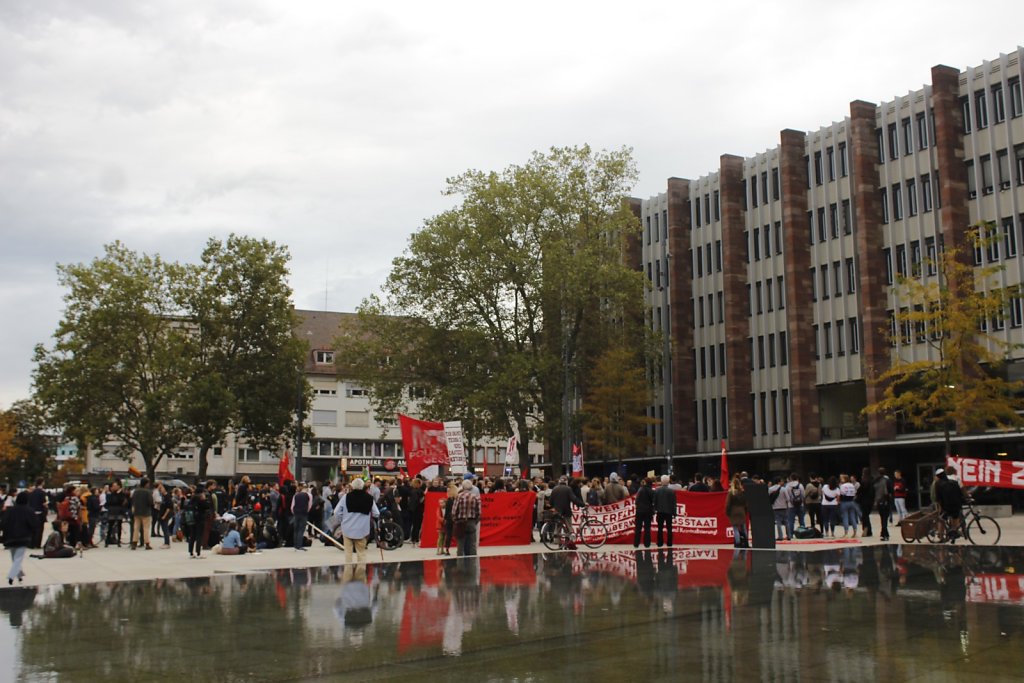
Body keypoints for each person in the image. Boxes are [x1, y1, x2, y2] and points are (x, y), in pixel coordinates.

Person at [334, 478, 380, 564]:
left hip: (347, 529)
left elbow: (336, 512)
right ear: (363, 486)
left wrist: (342, 520)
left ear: (352, 486)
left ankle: (348, 573)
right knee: (361, 553)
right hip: (362, 530)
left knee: (348, 553)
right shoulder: (369, 498)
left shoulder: (346, 497)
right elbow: (376, 513)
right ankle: (360, 574)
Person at [1, 492, 34, 585]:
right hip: (23, 537)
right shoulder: (29, 511)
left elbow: (3, 523)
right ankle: (11, 576)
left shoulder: (10, 511)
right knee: (18, 558)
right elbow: (34, 524)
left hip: (10, 538)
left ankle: (19, 575)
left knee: (14, 558)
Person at [451, 480, 481, 557]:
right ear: (471, 487)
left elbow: (454, 511)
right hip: (472, 522)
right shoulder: (476, 497)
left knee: (460, 544)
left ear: (463, 487)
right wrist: (475, 521)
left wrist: (455, 520)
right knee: (472, 544)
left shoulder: (458, 496)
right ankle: (472, 563)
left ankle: (460, 563)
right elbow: (479, 513)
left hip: (461, 522)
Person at [934, 468, 965, 540]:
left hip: (946, 506)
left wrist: (939, 507)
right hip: (956, 505)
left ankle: (941, 536)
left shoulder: (938, 484)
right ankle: (954, 533)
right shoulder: (954, 482)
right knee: (955, 517)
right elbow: (960, 493)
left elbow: (938, 497)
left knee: (941, 520)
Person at [724, 475, 749, 548]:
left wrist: (727, 512)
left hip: (733, 512)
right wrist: (745, 511)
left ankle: (737, 542)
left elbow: (728, 504)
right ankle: (746, 542)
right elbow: (746, 504)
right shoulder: (743, 492)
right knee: (743, 528)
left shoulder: (731, 493)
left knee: (735, 528)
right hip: (741, 511)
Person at [653, 475, 676, 548]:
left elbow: (655, 501)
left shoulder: (657, 490)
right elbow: (673, 503)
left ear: (661, 481)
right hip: (669, 512)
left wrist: (654, 510)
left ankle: (660, 542)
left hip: (660, 511)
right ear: (668, 481)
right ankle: (669, 542)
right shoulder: (671, 491)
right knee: (669, 528)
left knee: (660, 528)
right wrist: (674, 513)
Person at [130, 478, 154, 550]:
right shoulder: (148, 492)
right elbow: (150, 502)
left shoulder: (135, 491)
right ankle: (147, 543)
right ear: (146, 484)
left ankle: (134, 543)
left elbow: (132, 500)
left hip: (137, 512)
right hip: (146, 512)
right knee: (146, 528)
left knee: (136, 528)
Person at [184, 490, 209, 559]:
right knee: (199, 537)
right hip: (200, 520)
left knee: (192, 536)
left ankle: (191, 553)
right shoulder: (202, 502)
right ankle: (198, 553)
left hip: (192, 521)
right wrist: (204, 499)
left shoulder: (191, 503)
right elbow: (208, 506)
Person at [633, 478, 655, 548]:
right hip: (648, 511)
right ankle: (647, 544)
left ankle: (636, 543)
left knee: (638, 528)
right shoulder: (652, 491)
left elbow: (636, 501)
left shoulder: (640, 489)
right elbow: (653, 501)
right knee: (647, 528)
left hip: (639, 511)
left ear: (645, 482)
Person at [873, 467, 894, 541]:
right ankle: (885, 534)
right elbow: (891, 491)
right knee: (885, 518)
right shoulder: (887, 481)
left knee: (882, 518)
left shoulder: (876, 481)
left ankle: (883, 533)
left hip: (879, 501)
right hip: (886, 501)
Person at [438, 482, 458, 556]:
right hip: (456, 519)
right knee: (457, 535)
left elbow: (447, 512)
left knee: (448, 535)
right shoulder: (457, 500)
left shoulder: (449, 501)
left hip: (449, 519)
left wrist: (445, 520)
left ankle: (447, 550)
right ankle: (459, 549)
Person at [838, 474, 859, 538]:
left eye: (841, 478)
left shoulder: (842, 486)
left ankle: (846, 532)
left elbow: (841, 494)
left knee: (845, 517)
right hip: (851, 501)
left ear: (844, 479)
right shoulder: (852, 485)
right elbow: (855, 493)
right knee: (853, 517)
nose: (840, 479)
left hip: (844, 501)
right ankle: (855, 532)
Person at [291, 483, 310, 551]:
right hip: (303, 513)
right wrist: (307, 511)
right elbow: (309, 505)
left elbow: (292, 506)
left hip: (296, 513)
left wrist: (294, 512)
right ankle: (299, 545)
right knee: (301, 530)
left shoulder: (296, 495)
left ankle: (295, 545)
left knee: (296, 529)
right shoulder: (307, 495)